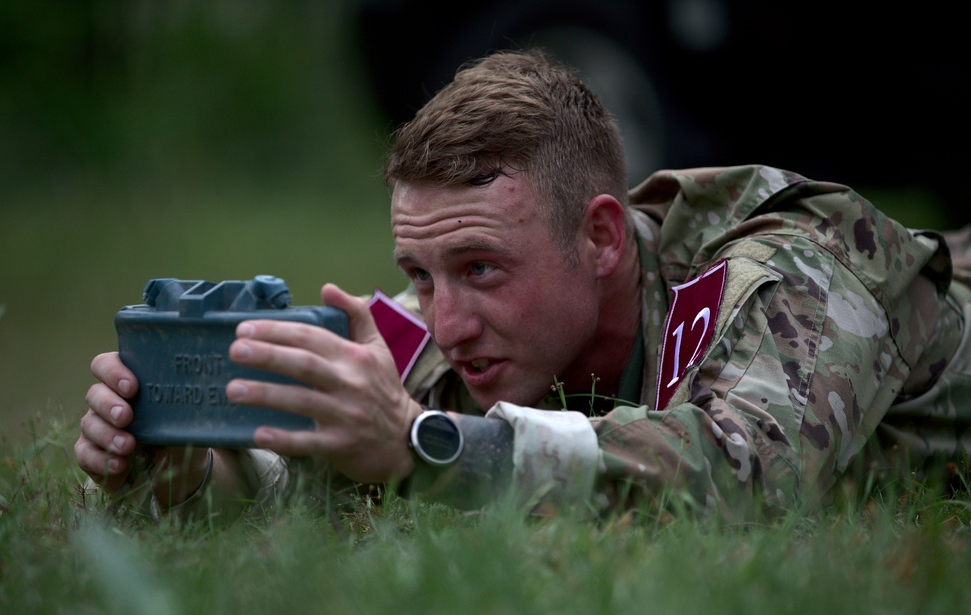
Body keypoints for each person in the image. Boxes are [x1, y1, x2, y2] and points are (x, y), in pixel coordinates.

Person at [75, 50, 971, 524]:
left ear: (601, 238)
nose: (447, 321)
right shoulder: (467, 331)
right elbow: (323, 473)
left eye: (481, 270)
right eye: (419, 275)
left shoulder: (795, 265)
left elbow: (750, 478)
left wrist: (427, 448)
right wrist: (184, 460)